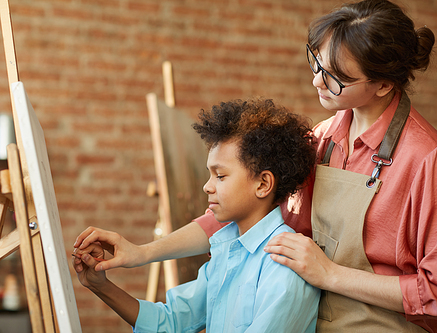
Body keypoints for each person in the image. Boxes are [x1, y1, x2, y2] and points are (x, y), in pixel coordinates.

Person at [74, 0, 437, 332]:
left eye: (336, 78)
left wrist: (329, 274)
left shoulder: (423, 157)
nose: (317, 81)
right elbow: (240, 209)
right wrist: (141, 253)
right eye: (316, 63)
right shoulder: (322, 139)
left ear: (384, 84)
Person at [73, 99, 320, 332]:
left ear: (263, 184)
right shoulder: (227, 252)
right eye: (209, 175)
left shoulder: (286, 264)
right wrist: (99, 285)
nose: (207, 186)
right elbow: (168, 322)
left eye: (220, 176)